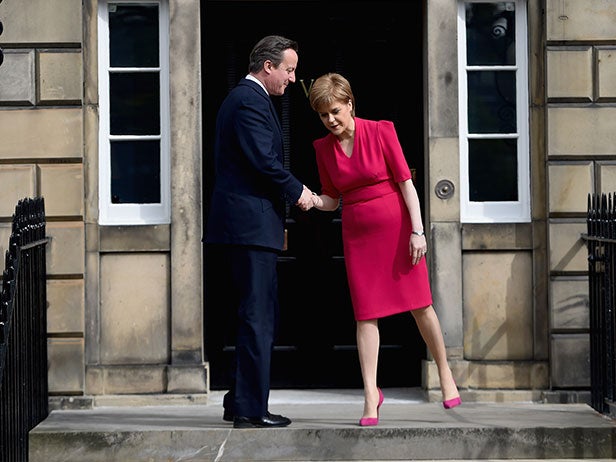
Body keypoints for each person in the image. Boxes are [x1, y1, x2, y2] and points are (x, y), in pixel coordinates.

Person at [307, 72, 461, 427]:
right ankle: (370, 395)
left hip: (398, 231)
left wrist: (418, 231)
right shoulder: (322, 150)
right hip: (358, 238)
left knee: (420, 305)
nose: (330, 119)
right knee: (366, 315)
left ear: (349, 104)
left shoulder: (381, 131)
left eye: (334, 111)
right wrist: (311, 199)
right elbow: (333, 198)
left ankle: (444, 373)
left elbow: (406, 184)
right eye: (322, 114)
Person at [204, 35, 314, 429]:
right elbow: (263, 163)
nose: (292, 78)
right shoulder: (249, 100)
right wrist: (300, 192)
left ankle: (239, 401)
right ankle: (251, 409)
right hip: (248, 229)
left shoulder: (247, 99)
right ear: (268, 66)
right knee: (258, 318)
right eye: (289, 69)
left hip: (245, 227)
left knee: (250, 316)